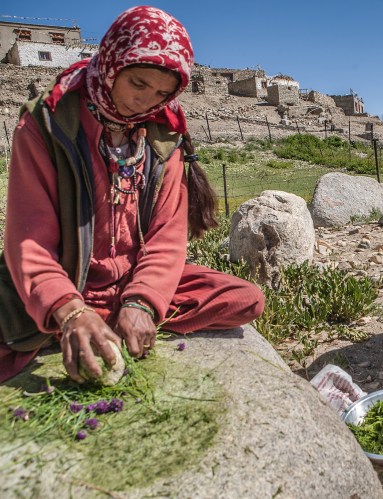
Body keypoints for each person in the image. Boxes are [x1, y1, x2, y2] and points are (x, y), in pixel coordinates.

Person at [0, 6, 265, 384]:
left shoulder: (161, 136)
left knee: (244, 299)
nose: (146, 102)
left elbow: (166, 237)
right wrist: (70, 309)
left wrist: (142, 300)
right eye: (138, 84)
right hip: (63, 281)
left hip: (128, 283)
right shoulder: (47, 126)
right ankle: (70, 323)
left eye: (162, 92)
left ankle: (109, 319)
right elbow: (30, 243)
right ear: (111, 65)